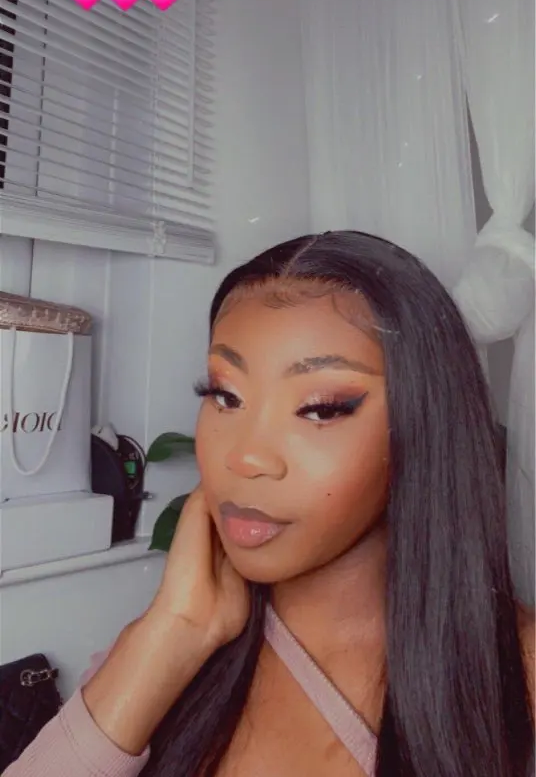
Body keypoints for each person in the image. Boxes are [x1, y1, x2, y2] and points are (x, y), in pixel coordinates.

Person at [8, 230, 535, 777]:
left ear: (425, 425)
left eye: (320, 408)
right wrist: (177, 629)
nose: (244, 457)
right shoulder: (159, 654)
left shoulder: (519, 670)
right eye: (225, 395)